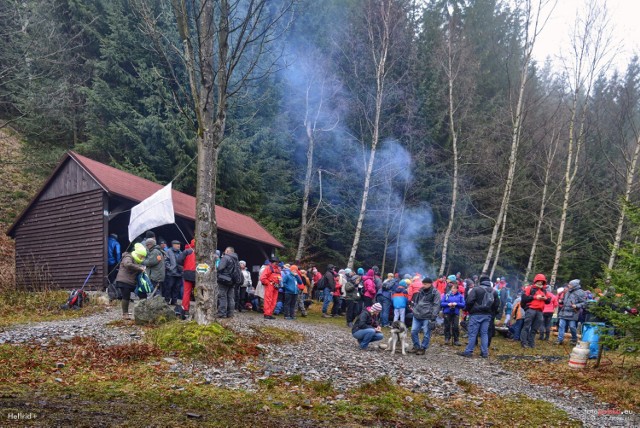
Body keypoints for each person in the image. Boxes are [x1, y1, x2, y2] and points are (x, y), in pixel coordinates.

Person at [457, 275, 499, 358]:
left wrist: (467, 310)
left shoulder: (476, 289)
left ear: (480, 281)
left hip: (476, 314)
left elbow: (469, 301)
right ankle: (484, 353)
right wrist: (491, 313)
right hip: (487, 315)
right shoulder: (494, 291)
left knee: (473, 333)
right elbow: (497, 304)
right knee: (484, 334)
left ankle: (468, 352)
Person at [114, 243, 147, 319]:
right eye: (141, 256)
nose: (142, 258)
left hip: (132, 281)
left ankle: (144, 311)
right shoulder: (128, 256)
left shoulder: (138, 261)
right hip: (123, 280)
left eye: (143, 257)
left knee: (142, 294)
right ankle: (125, 314)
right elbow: (128, 264)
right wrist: (140, 268)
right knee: (126, 296)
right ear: (137, 254)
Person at [409, 277, 441, 355]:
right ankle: (416, 347)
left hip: (427, 316)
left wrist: (433, 316)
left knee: (426, 333)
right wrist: (414, 308)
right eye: (423, 284)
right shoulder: (420, 290)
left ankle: (423, 348)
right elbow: (416, 301)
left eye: (425, 284)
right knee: (413, 331)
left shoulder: (435, 292)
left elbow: (436, 305)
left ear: (430, 284)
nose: (423, 285)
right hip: (417, 314)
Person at [520, 274, 552, 349]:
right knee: (526, 327)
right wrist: (535, 297)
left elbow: (548, 301)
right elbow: (524, 298)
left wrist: (545, 298)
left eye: (542, 281)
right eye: (539, 281)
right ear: (536, 281)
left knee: (535, 328)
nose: (540, 283)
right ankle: (524, 343)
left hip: (540, 311)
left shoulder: (544, 290)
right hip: (531, 309)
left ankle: (531, 343)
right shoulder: (529, 288)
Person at [557, 279, 587, 345]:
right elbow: (565, 299)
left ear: (574, 285)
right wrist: (561, 301)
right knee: (561, 325)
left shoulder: (581, 292)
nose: (568, 285)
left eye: (570, 284)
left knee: (572, 327)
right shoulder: (568, 291)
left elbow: (584, 302)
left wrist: (576, 305)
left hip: (573, 313)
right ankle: (559, 340)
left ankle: (574, 339)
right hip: (564, 311)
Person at [216, 246, 241, 318]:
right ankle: (230, 313)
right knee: (230, 297)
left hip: (224, 280)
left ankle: (222, 313)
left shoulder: (226, 257)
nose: (225, 251)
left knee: (222, 296)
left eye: (226, 250)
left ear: (228, 251)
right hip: (232, 281)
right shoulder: (236, 260)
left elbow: (220, 268)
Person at [441, 282, 465, 346]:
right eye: (452, 288)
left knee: (456, 326)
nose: (452, 290)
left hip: (455, 313)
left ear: (457, 289)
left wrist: (456, 304)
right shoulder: (446, 295)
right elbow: (442, 303)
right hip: (447, 312)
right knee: (447, 326)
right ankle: (447, 339)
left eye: (454, 288)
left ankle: (456, 340)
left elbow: (463, 304)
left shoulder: (460, 296)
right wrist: (448, 304)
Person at [164, 240, 184, 305]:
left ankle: (174, 301)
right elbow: (166, 261)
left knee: (176, 288)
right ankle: (167, 300)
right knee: (169, 287)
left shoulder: (181, 252)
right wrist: (170, 268)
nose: (179, 246)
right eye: (177, 244)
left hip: (179, 273)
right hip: (171, 273)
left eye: (179, 244)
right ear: (173, 245)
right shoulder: (168, 251)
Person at [180, 239, 196, 317]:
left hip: (187, 273)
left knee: (187, 292)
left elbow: (179, 260)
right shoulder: (203, 252)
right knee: (199, 293)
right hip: (198, 275)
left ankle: (185, 309)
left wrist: (185, 265)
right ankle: (199, 310)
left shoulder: (187, 251)